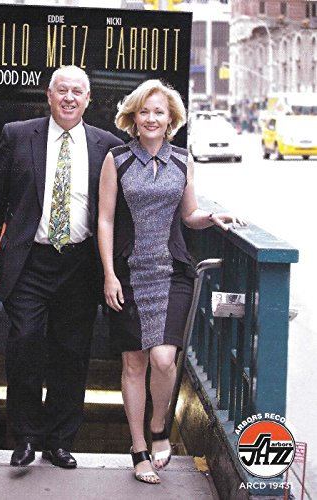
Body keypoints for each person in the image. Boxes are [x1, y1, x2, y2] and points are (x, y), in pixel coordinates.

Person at [98, 79, 245, 484]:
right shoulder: (116, 159)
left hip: (172, 271)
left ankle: (158, 424)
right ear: (133, 117)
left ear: (170, 119)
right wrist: (109, 274)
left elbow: (189, 215)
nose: (151, 118)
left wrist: (211, 218)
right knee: (134, 362)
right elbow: (105, 220)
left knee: (164, 358)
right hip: (128, 273)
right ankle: (138, 448)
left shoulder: (182, 160)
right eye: (144, 111)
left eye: (158, 112)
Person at [0, 65, 123, 469]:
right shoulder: (17, 135)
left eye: (77, 92)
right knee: (25, 344)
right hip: (29, 261)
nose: (69, 98)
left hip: (80, 265)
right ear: (48, 95)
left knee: (72, 354)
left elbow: (117, 214)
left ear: (88, 99)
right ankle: (25, 437)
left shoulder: (108, 146)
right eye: (61, 90)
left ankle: (60, 441)